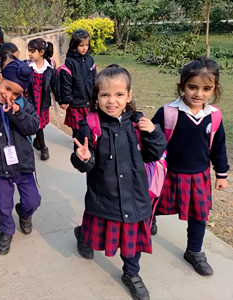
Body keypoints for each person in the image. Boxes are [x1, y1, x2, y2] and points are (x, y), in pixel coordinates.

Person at [71, 65, 166, 300]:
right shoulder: (90, 125)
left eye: (119, 94)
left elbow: (153, 154)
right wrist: (83, 157)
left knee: (131, 242)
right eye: (104, 95)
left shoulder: (139, 124)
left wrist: (154, 132)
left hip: (135, 196)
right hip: (104, 196)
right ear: (96, 97)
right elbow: (85, 161)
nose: (111, 101)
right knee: (95, 228)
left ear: (129, 96)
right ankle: (83, 235)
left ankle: (131, 273)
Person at [151, 57, 229, 276]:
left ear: (215, 89)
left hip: (199, 176)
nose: (198, 94)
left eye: (206, 89)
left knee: (199, 215)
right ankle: (147, 225)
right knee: (152, 205)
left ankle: (194, 250)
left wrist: (221, 174)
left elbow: (219, 146)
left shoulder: (213, 116)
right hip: (168, 175)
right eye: (192, 87)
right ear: (182, 86)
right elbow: (152, 141)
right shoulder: (167, 113)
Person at [0, 60, 41, 255]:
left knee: (33, 201)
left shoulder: (23, 105)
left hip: (23, 164)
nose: (9, 96)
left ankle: (24, 214)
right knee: (3, 205)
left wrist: (17, 113)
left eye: (16, 94)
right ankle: (6, 231)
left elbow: (33, 127)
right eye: (7, 89)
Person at [26, 38, 60, 160]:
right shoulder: (27, 67)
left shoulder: (50, 69)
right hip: (31, 101)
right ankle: (43, 147)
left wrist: (61, 100)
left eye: (32, 51)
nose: (29, 54)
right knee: (37, 124)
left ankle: (38, 142)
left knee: (40, 124)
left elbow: (56, 86)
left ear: (41, 52)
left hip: (42, 102)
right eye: (29, 51)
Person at [60, 29, 96, 137]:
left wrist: (96, 96)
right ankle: (77, 147)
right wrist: (66, 100)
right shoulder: (69, 62)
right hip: (75, 103)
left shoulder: (90, 60)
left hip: (89, 101)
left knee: (89, 127)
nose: (84, 48)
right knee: (77, 130)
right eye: (81, 45)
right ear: (75, 45)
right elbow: (66, 84)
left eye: (86, 45)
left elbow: (94, 79)